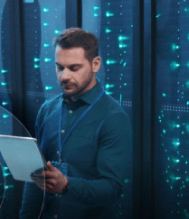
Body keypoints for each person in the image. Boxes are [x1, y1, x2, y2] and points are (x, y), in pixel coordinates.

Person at [19, 28, 132, 219]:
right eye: (59, 67)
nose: (64, 76)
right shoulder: (47, 109)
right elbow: (35, 178)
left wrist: (66, 185)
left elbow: (113, 188)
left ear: (95, 64)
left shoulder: (113, 117)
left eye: (74, 68)